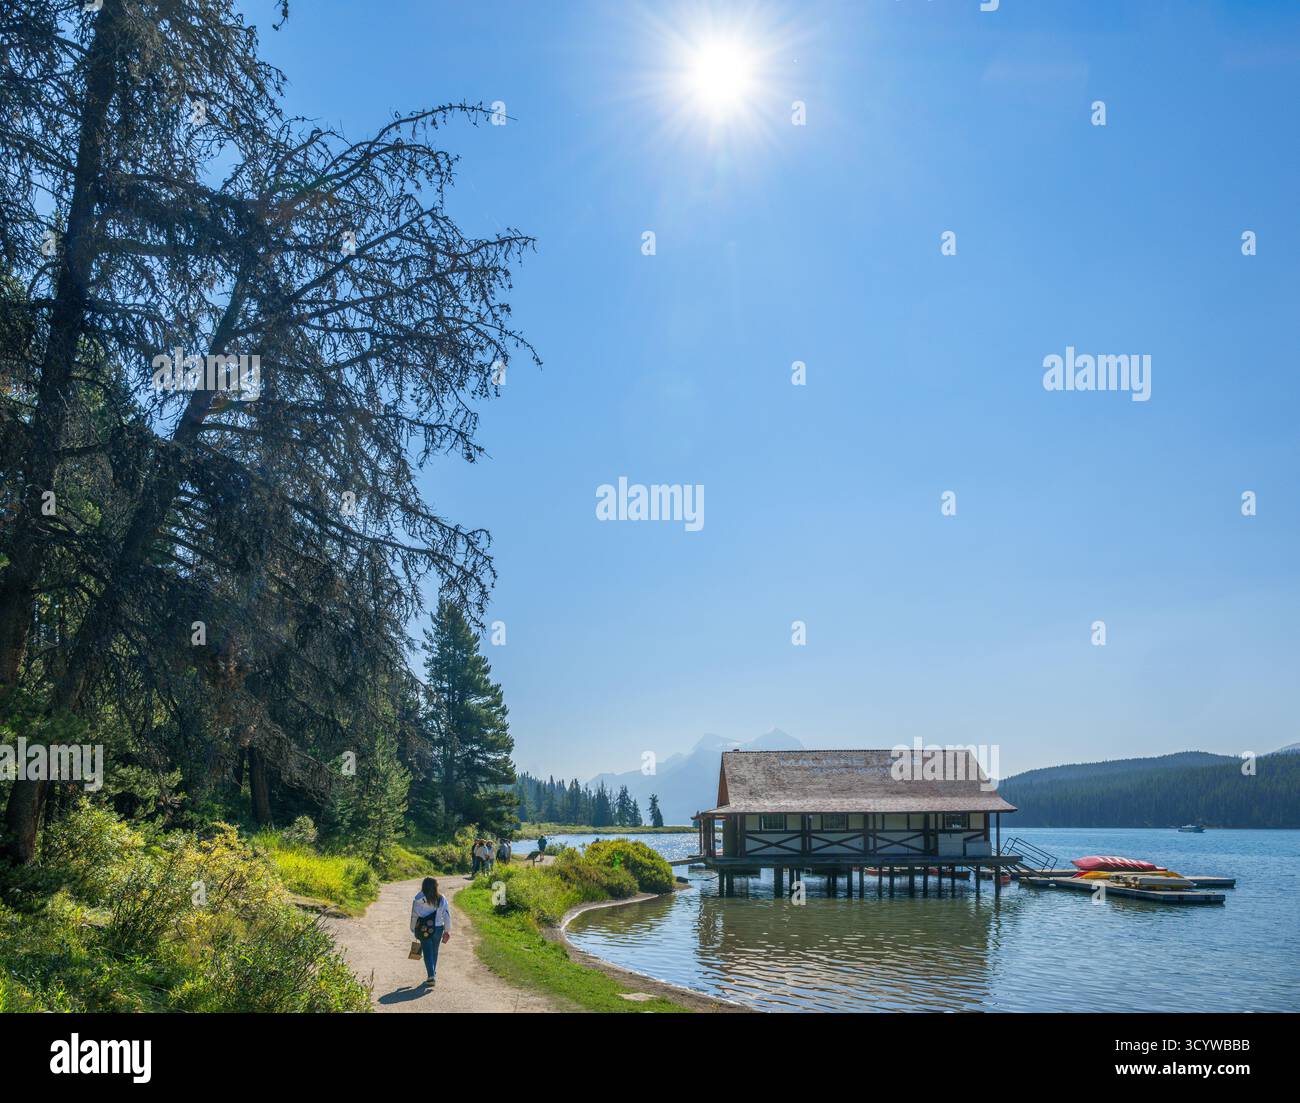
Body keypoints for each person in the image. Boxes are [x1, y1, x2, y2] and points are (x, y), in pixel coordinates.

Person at [409, 876, 451, 988]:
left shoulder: (418, 899)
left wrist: (413, 928)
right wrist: (447, 930)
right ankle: (432, 973)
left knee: (427, 952)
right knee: (434, 951)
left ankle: (431, 975)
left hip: (423, 929)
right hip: (438, 928)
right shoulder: (441, 898)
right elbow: (446, 914)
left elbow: (414, 915)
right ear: (436, 886)